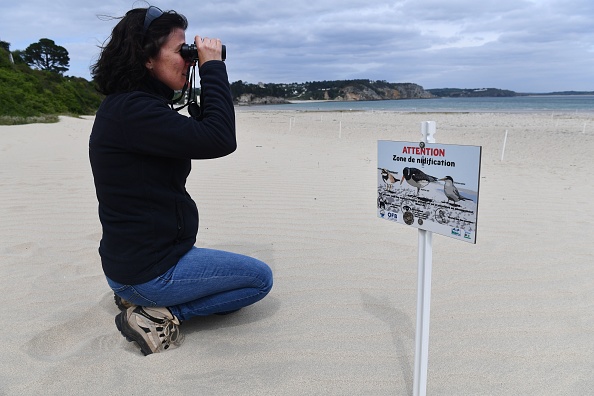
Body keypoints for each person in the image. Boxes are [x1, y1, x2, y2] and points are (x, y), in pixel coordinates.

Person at [89, 6, 273, 356]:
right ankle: (158, 315)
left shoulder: (130, 108)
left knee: (233, 283)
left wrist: (200, 94)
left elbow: (205, 133)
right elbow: (220, 139)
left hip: (135, 263)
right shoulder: (135, 112)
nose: (189, 60)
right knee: (258, 280)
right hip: (150, 271)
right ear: (146, 58)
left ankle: (137, 296)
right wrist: (212, 67)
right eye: (181, 52)